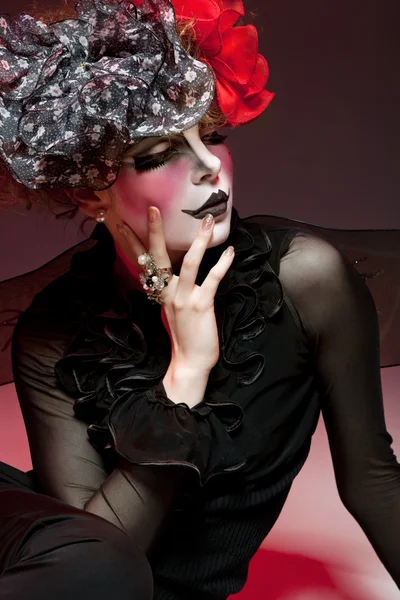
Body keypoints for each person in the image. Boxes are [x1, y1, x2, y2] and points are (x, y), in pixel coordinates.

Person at [0, 0, 399, 598]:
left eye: (210, 135)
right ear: (90, 197)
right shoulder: (52, 335)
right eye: (161, 156)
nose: (211, 165)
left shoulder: (303, 284)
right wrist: (184, 376)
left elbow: (372, 479)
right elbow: (93, 559)